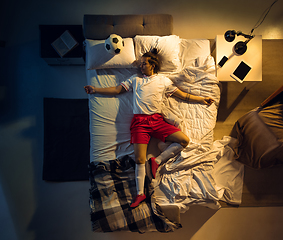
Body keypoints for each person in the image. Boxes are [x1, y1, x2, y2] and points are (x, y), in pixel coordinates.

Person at [84, 49, 214, 208]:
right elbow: (117, 90)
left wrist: (202, 99)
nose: (140, 66)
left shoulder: (163, 81)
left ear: (153, 65)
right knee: (139, 159)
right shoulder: (135, 80)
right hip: (139, 123)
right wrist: (95, 90)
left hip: (157, 120)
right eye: (140, 63)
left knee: (184, 140)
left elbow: (182, 95)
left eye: (144, 63)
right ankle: (140, 194)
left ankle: (156, 161)